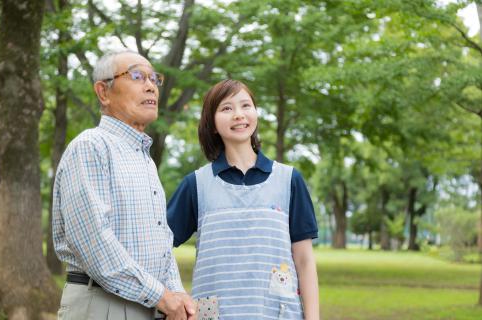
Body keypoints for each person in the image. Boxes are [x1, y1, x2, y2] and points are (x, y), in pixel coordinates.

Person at [52, 51, 196, 320]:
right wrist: (163, 296)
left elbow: (161, 239)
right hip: (102, 305)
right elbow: (95, 245)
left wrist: (177, 293)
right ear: (103, 92)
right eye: (137, 76)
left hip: (149, 304)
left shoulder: (145, 160)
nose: (151, 85)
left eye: (155, 78)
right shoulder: (90, 147)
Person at [167, 79, 320, 319]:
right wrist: (172, 296)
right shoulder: (196, 184)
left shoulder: (289, 180)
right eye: (227, 108)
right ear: (213, 124)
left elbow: (304, 261)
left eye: (245, 105)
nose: (238, 115)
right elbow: (159, 247)